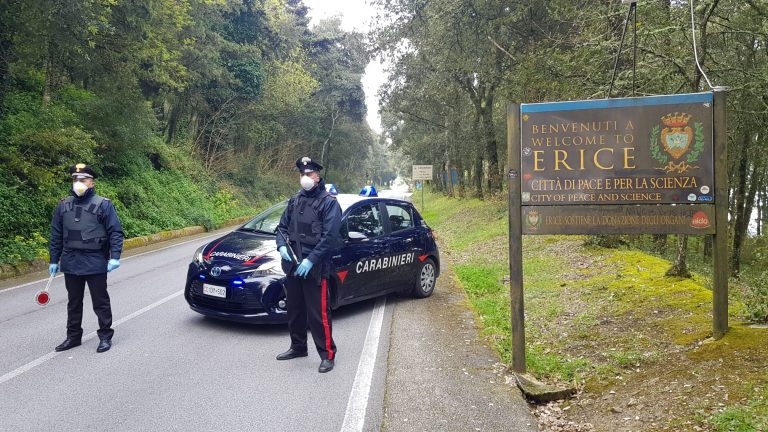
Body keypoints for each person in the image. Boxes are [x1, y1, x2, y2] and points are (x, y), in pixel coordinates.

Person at [275, 157, 342, 373]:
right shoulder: (294, 201)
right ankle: (298, 347)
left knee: (318, 314)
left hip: (315, 268)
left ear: (317, 176)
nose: (306, 177)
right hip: (293, 265)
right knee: (294, 310)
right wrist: (281, 247)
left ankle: (327, 355)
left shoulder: (329, 203)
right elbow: (281, 228)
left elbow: (329, 237)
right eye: (302, 174)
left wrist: (311, 260)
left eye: (310, 174)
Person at [48, 163, 124, 353]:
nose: (79, 182)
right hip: (71, 260)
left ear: (92, 183)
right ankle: (73, 337)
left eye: (83, 179)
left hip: (95, 260)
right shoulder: (63, 205)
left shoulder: (103, 204)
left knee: (100, 302)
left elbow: (115, 232)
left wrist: (115, 256)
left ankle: (105, 336)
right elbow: (56, 234)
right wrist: (53, 260)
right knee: (73, 302)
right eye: (76, 179)